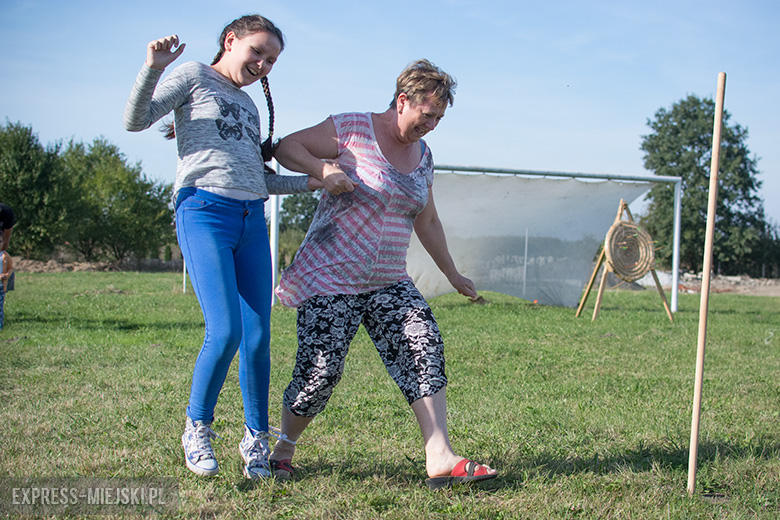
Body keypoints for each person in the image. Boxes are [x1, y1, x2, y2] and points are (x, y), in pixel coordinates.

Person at [268, 59, 498, 489]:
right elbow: (285, 148)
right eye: (426, 114)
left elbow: (426, 221)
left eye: (439, 118)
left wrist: (452, 274)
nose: (431, 124)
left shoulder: (424, 155)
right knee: (320, 373)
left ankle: (440, 456)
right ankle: (283, 447)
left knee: (422, 346)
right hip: (330, 277)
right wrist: (324, 169)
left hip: (388, 279)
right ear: (402, 100)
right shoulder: (352, 128)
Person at [124, 14, 321, 480]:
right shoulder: (192, 75)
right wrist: (153, 66)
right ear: (230, 41)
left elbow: (259, 178)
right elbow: (135, 121)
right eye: (257, 51)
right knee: (226, 330)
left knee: (258, 337)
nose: (263, 64)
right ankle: (197, 427)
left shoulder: (250, 107)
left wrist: (311, 182)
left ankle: (255, 441)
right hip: (203, 211)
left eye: (271, 60)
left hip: (253, 218)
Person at [0, 249, 12, 331]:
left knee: (0, 307)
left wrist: (7, 275)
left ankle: (0, 325)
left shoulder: (5, 255)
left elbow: (10, 268)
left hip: (1, 286)